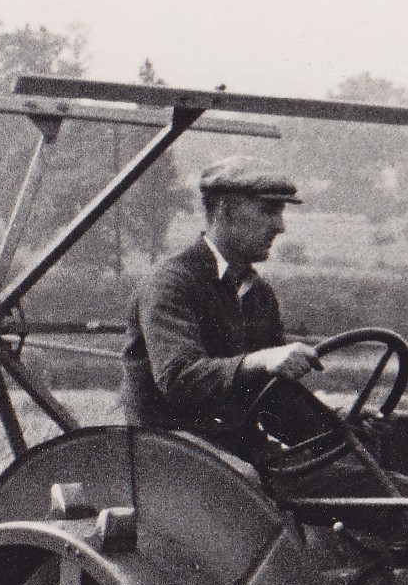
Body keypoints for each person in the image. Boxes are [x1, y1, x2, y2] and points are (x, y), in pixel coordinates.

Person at [120, 159, 323, 444]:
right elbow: (178, 377)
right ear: (225, 212)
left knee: (381, 481)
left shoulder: (258, 294)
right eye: (268, 211)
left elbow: (274, 399)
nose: (280, 226)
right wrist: (262, 360)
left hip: (238, 458)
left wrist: (337, 420)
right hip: (172, 455)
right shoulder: (170, 284)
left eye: (280, 212)